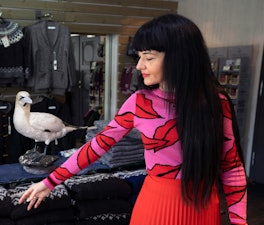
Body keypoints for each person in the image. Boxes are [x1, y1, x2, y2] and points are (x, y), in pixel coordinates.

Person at [19, 14, 248, 225]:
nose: (139, 66)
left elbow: (232, 167)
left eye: (148, 58)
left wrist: (240, 222)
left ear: (180, 58)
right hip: (156, 207)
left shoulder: (216, 102)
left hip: (203, 209)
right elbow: (97, 146)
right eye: (139, 57)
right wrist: (50, 182)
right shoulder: (140, 102)